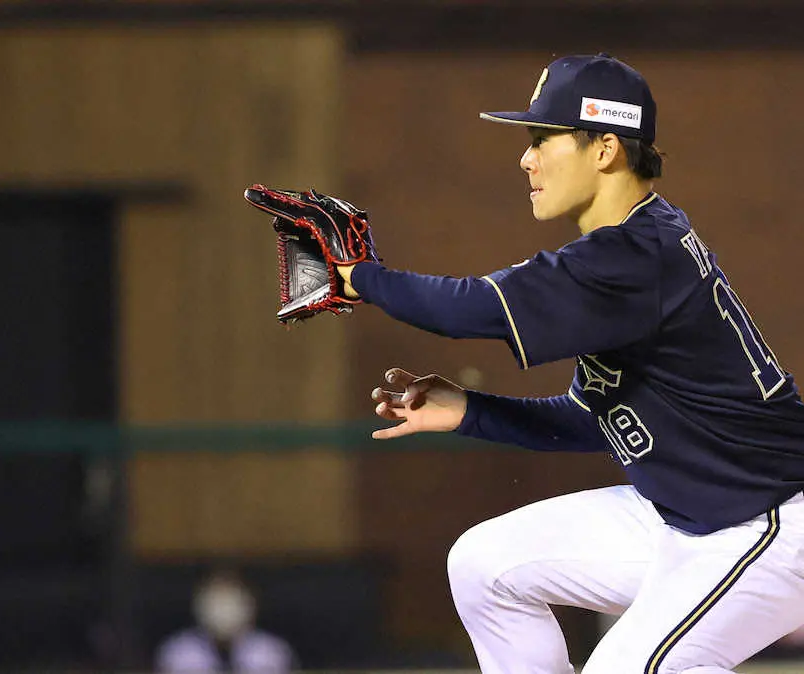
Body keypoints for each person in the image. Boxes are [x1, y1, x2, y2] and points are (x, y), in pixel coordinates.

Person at [336, 53, 804, 673]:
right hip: (683, 518)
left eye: (542, 138)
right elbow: (592, 417)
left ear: (605, 148)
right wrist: (472, 412)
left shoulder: (635, 255)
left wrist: (356, 276)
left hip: (766, 525)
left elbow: (469, 308)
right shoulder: (630, 251)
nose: (526, 158)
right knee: (485, 564)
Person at [154, 568, 297, 674]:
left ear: (250, 604)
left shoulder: (272, 652)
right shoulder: (177, 652)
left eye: (230, 602)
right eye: (216, 602)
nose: (223, 610)